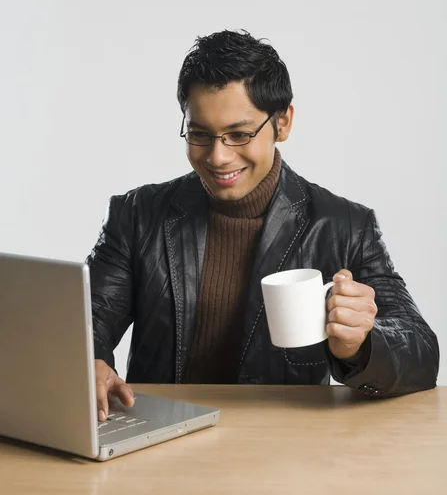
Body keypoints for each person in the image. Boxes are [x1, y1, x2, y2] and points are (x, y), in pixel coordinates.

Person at [88, 30, 439, 422]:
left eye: (239, 134)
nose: (218, 156)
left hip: (283, 445)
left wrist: (362, 345)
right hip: (157, 437)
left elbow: (422, 352)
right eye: (200, 134)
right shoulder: (137, 214)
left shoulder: (346, 225)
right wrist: (90, 362)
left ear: (283, 122)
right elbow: (88, 321)